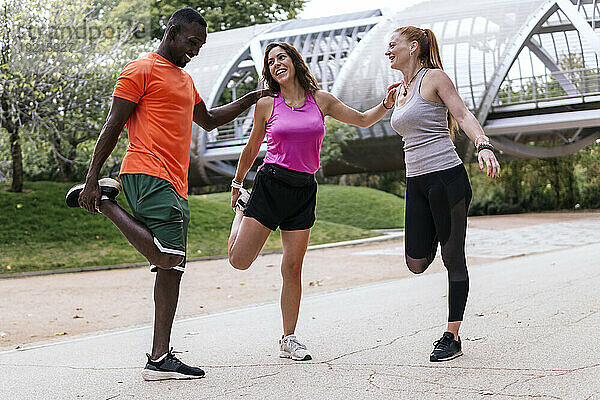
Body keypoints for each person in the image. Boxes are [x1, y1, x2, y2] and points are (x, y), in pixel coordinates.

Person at [65, 8, 271, 380]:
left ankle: (159, 359)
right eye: (192, 42)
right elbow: (114, 123)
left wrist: (251, 98)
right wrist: (93, 177)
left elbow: (207, 120)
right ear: (172, 32)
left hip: (176, 183)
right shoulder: (140, 69)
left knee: (172, 268)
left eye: (202, 45)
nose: (196, 51)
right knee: (167, 254)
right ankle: (108, 203)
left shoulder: (185, 80)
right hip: (146, 172)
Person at [227, 42, 397, 361]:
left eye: (282, 57)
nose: (277, 63)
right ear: (269, 71)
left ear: (294, 61)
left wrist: (385, 104)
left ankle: (288, 338)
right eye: (271, 61)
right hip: (270, 184)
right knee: (239, 261)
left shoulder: (322, 101)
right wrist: (237, 183)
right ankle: (241, 213)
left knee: (293, 267)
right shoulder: (266, 104)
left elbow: (361, 120)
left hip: (304, 188)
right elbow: (252, 148)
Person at [385, 26, 501, 362]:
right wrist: (387, 102)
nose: (388, 51)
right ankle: (440, 232)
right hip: (417, 183)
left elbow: (462, 114)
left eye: (393, 45)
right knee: (416, 262)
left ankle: (452, 335)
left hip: (446, 179)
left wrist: (483, 145)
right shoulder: (400, 91)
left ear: (413, 47)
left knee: (453, 258)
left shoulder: (434, 78)